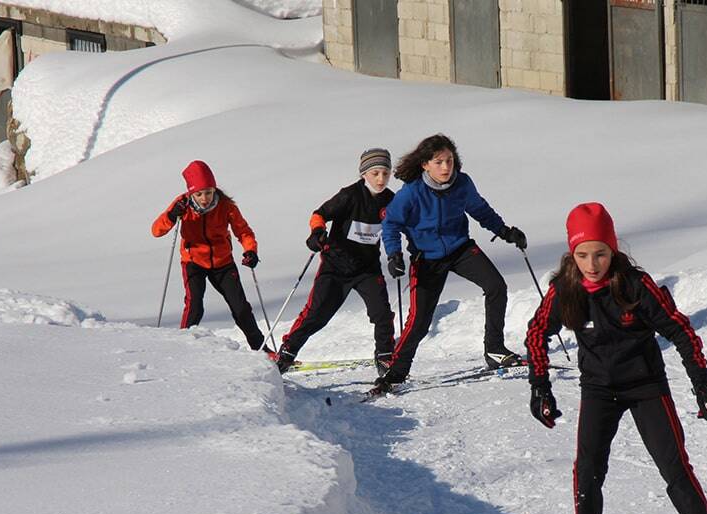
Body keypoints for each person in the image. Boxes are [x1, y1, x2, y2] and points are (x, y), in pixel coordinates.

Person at [525, 202, 707, 514]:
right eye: (583, 255)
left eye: (600, 253)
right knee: (588, 469)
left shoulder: (634, 284)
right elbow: (535, 333)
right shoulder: (565, 289)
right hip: (598, 389)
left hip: (646, 386)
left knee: (674, 468)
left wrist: (702, 383)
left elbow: (681, 330)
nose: (592, 263)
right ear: (572, 254)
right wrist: (540, 386)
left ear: (613, 250)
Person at [369, 134, 528, 396]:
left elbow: (480, 210)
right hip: (427, 259)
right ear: (425, 164)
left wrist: (505, 231)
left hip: (460, 248)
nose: (446, 167)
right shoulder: (411, 193)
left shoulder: (462, 184)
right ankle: (396, 373)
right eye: (439, 162)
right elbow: (391, 224)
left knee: (496, 286)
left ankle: (495, 349)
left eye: (450, 161)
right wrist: (394, 254)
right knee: (419, 321)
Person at [275, 149, 397, 374]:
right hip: (336, 266)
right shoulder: (349, 195)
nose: (381, 179)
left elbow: (400, 226)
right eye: (375, 173)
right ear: (364, 174)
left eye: (385, 173)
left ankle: (385, 357)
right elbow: (319, 214)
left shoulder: (391, 201)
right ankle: (287, 352)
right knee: (317, 314)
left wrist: (397, 254)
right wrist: (317, 233)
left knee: (381, 313)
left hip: (367, 269)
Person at [152, 160, 266, 351]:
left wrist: (251, 250)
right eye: (199, 194)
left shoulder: (226, 206)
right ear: (191, 193)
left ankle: (262, 349)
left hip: (223, 262)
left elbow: (244, 231)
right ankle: (181, 348)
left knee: (241, 308)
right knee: (195, 306)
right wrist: (172, 215)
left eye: (209, 192)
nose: (204, 198)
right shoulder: (182, 205)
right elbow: (156, 230)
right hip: (193, 262)